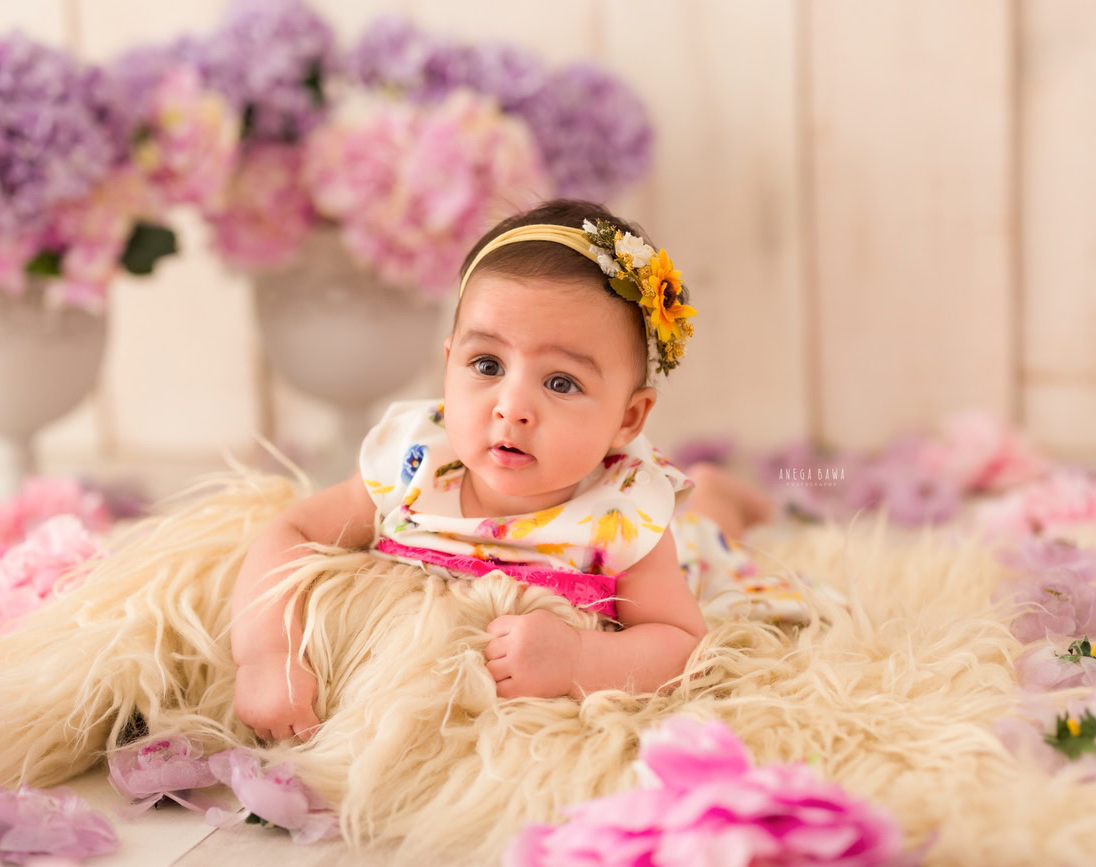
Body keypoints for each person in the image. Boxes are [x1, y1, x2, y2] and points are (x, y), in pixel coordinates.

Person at [230, 199, 836, 746]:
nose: (512, 406)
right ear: (449, 364)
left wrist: (580, 660)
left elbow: (682, 645)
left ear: (628, 418)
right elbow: (291, 532)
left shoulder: (623, 513)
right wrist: (267, 654)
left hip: (686, 558)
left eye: (560, 382)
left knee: (704, 536)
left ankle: (718, 497)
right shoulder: (416, 461)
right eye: (487, 363)